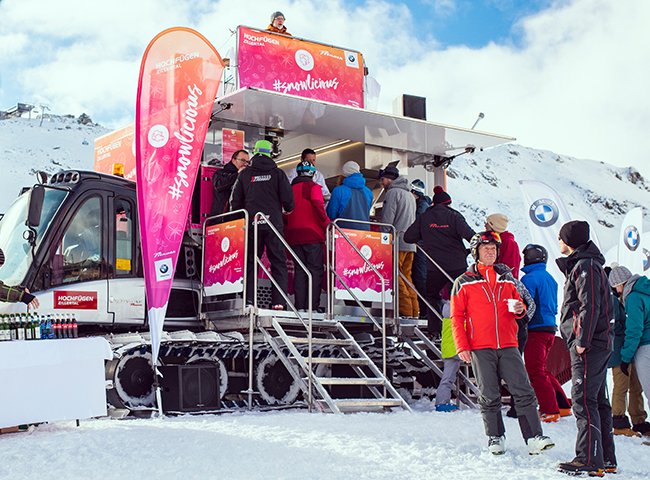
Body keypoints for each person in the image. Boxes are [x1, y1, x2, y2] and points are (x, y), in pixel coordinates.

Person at [451, 231, 554, 455]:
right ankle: (495, 437)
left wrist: (520, 310)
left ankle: (534, 437)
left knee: (524, 390)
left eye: (494, 249)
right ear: (475, 252)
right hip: (480, 346)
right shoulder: (464, 282)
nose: (490, 252)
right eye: (486, 248)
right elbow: (457, 317)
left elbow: (520, 306)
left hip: (509, 344)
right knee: (489, 393)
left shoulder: (508, 280)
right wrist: (462, 346)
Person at [556, 220, 616, 476]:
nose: (559, 242)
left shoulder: (586, 266)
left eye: (561, 238)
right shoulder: (586, 264)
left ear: (569, 240)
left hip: (590, 345)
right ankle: (605, 459)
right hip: (597, 343)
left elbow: (588, 305)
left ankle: (588, 458)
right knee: (598, 400)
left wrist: (581, 341)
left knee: (582, 400)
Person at [231, 140, 294, 310]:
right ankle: (279, 302)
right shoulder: (278, 174)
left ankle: (250, 300)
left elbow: (235, 200)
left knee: (251, 262)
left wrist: (239, 217)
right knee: (278, 262)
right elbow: (288, 199)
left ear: (255, 152)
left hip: (252, 224)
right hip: (273, 223)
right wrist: (287, 209)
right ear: (270, 153)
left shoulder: (244, 174)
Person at [404, 186, 475, 337]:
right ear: (448, 203)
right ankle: (465, 331)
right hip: (457, 266)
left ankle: (435, 330)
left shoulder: (424, 217)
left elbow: (408, 237)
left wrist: (426, 235)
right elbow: (471, 236)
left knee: (432, 296)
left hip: (434, 266)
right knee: (461, 296)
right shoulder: (454, 216)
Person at [520, 244, 572, 423]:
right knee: (542, 369)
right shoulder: (549, 278)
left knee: (535, 371)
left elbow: (527, 305)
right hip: (550, 328)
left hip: (536, 329)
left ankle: (549, 410)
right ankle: (563, 405)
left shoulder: (529, 279)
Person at [605, 265, 650, 437]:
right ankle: (619, 419)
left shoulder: (631, 297)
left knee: (635, 385)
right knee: (624, 384)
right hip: (623, 349)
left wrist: (626, 355)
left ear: (620, 283)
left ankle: (637, 419)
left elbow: (634, 329)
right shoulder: (643, 290)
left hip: (630, 349)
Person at [284, 160, 330, 312]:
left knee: (299, 271)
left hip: (293, 235)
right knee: (315, 271)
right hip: (312, 234)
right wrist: (327, 224)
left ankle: (300, 307)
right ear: (312, 173)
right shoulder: (314, 187)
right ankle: (312, 307)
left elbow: (285, 212)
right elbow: (319, 206)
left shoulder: (290, 189)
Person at [379, 166, 418, 318]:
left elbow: (388, 220)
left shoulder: (393, 193)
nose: (382, 183)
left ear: (389, 179)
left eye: (383, 180)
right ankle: (415, 310)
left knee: (398, 276)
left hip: (397, 242)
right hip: (410, 243)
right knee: (407, 277)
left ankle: (406, 311)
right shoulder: (409, 195)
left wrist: (384, 240)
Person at [326, 161, 373, 231]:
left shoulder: (338, 191)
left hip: (344, 233)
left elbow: (331, 214)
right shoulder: (368, 192)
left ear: (344, 174)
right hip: (364, 232)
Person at [409, 179, 432, 318]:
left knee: (419, 277)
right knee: (419, 277)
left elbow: (417, 224)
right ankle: (424, 310)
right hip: (423, 245)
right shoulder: (425, 204)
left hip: (420, 246)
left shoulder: (422, 206)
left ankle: (424, 310)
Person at [436, 298, 460, 412]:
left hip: (448, 350)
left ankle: (442, 402)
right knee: (449, 378)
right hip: (457, 349)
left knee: (447, 378)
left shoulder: (446, 317)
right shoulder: (459, 318)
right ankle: (441, 403)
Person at [211, 149, 249, 215]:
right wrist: (238, 174)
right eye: (242, 160)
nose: (245, 164)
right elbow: (219, 186)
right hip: (222, 216)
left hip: (239, 215)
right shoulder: (221, 173)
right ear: (233, 160)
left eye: (247, 162)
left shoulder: (245, 176)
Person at [485, 213, 521, 279]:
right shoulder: (495, 242)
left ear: (494, 226)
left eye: (487, 223)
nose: (485, 225)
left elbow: (509, 270)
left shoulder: (509, 243)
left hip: (503, 286)